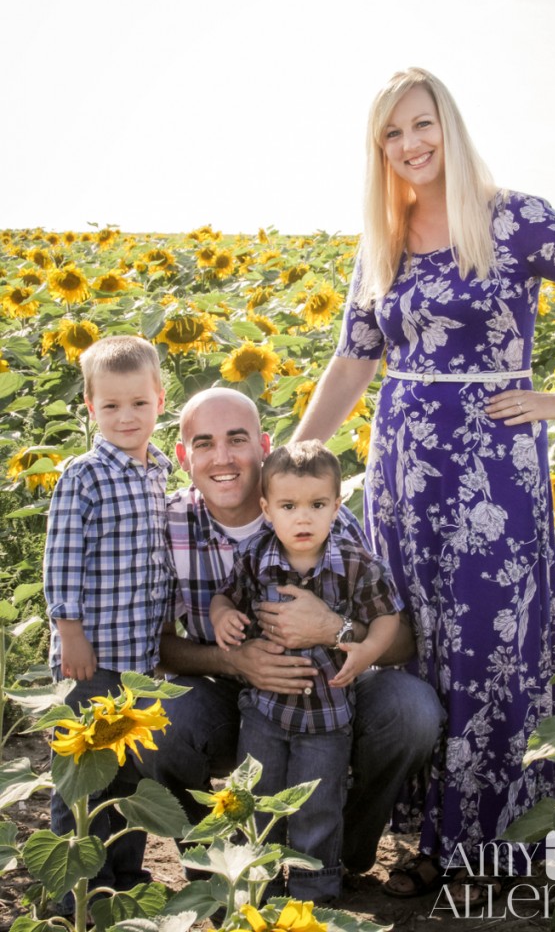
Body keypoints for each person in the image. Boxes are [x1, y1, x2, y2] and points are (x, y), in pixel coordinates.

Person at [291, 67, 555, 900]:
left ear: (448, 124)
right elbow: (354, 359)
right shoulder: (383, 234)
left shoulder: (512, 216)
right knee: (413, 649)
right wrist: (298, 451)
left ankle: (496, 848)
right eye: (392, 134)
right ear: (377, 148)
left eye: (422, 125)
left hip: (496, 469)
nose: (410, 145)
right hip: (403, 474)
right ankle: (431, 843)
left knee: (494, 652)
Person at [139, 386, 445, 883]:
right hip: (227, 700)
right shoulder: (165, 523)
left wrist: (334, 627)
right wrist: (233, 659)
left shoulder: (319, 514)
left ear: (263, 447)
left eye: (237, 439)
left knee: (413, 711)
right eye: (204, 443)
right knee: (159, 719)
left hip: (327, 694)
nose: (223, 458)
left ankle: (346, 848)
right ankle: (216, 863)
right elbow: (150, 642)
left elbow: (403, 638)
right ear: (182, 455)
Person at [210, 440, 402, 901]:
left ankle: (315, 889)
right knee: (256, 797)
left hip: (327, 714)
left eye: (317, 505)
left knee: (318, 803)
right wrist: (222, 617)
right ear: (267, 508)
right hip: (263, 709)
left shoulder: (356, 562)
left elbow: (387, 614)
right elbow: (225, 596)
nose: (303, 518)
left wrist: (365, 648)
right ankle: (258, 881)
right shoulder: (256, 557)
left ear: (337, 506)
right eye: (289, 506)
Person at [44, 335, 171, 902]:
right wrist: (69, 633)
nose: (127, 416)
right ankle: (76, 881)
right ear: (90, 408)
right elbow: (63, 557)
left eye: (138, 404)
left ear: (160, 402)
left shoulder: (160, 471)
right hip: (92, 657)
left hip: (140, 659)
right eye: (112, 406)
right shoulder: (84, 475)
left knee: (129, 774)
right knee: (81, 773)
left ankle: (123, 874)